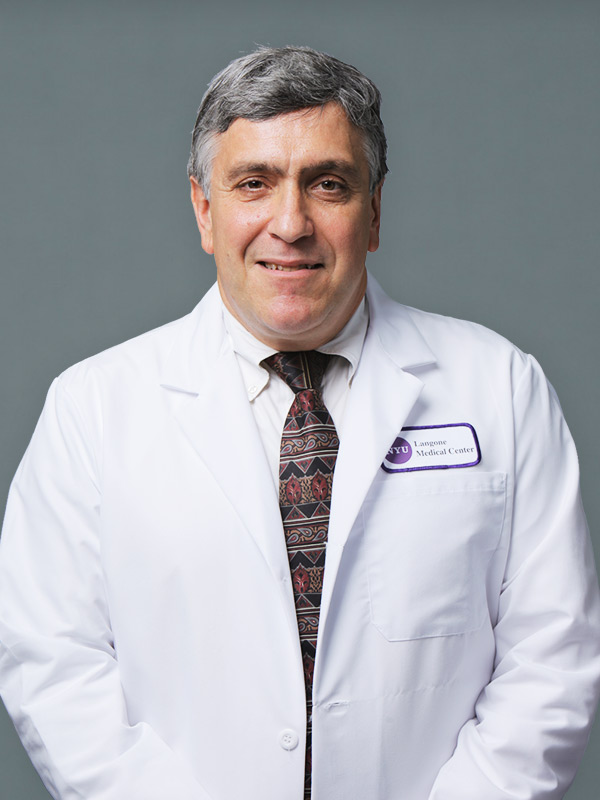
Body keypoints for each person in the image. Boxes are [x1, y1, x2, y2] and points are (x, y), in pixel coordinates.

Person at [0, 45, 599, 800]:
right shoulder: (92, 410)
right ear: (205, 210)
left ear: (374, 211)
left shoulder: (501, 387)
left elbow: (552, 654)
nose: (290, 224)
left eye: (328, 184)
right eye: (254, 183)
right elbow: (54, 666)